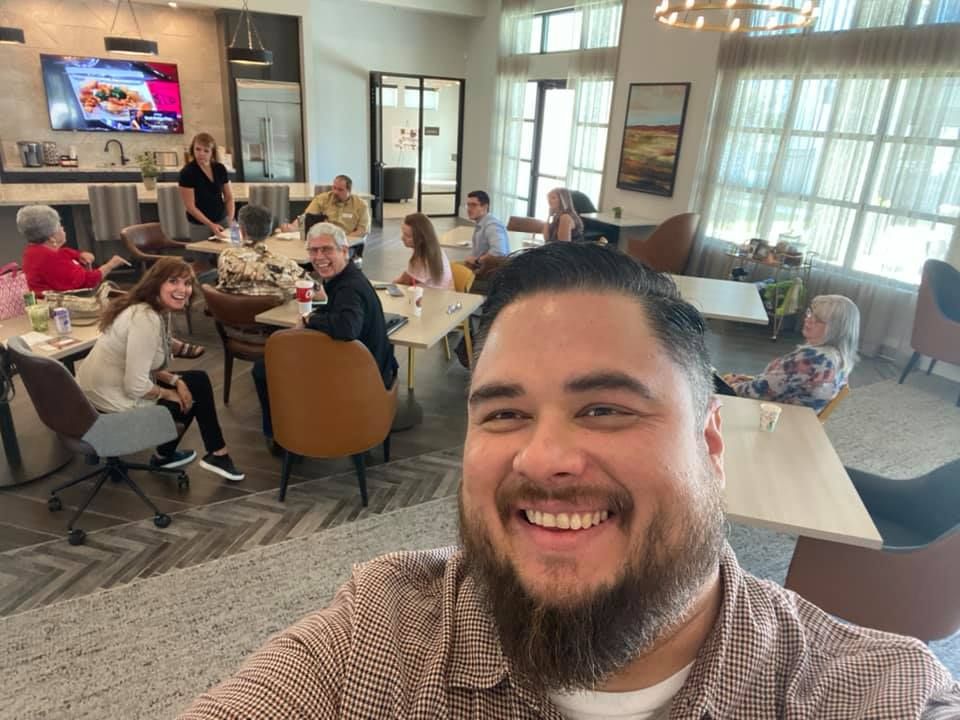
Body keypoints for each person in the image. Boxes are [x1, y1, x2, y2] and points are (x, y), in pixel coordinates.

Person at [179, 243, 957, 719]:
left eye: (607, 407)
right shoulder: (380, 634)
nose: (544, 458)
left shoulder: (863, 692)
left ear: (712, 445)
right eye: (505, 414)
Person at [77, 257, 245, 482]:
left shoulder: (144, 308)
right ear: (156, 284)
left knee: (194, 381)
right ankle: (211, 454)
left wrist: (176, 381)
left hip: (91, 401)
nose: (182, 289)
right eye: (173, 281)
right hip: (109, 411)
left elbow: (139, 364)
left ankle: (189, 455)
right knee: (194, 391)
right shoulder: (145, 319)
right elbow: (135, 384)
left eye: (186, 283)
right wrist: (170, 393)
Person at [251, 222, 397, 452]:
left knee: (264, 369)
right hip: (368, 365)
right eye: (313, 250)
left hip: (365, 377)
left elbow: (347, 328)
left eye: (326, 249)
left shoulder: (349, 288)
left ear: (344, 250)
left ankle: (281, 436)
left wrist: (310, 320)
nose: (319, 257)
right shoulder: (348, 278)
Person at [721, 294, 860, 413]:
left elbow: (762, 390)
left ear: (834, 329)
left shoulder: (813, 359)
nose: (808, 319)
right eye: (810, 313)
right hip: (799, 417)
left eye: (818, 320)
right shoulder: (839, 358)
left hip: (775, 415)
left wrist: (728, 387)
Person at [17, 204, 127, 298]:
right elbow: (87, 282)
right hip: (59, 307)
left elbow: (64, 252)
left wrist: (80, 254)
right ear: (52, 238)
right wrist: (110, 265)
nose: (63, 228)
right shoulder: (51, 259)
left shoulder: (32, 250)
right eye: (59, 226)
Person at [216, 204, 307, 298]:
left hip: (230, 311)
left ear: (242, 230)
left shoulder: (226, 256)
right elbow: (319, 295)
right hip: (274, 312)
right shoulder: (285, 264)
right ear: (269, 231)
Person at [178, 132, 234, 242]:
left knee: (226, 254)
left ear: (212, 153)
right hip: (200, 224)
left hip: (221, 219)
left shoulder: (219, 168)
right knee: (202, 257)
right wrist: (210, 224)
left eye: (206, 150)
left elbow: (229, 197)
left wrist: (230, 219)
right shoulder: (187, 172)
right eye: (198, 149)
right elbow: (190, 206)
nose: (201, 153)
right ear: (192, 150)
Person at [280, 175, 369, 239]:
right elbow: (306, 217)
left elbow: (362, 231)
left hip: (346, 241)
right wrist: (292, 227)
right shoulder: (323, 199)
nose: (335, 192)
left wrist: (342, 240)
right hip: (322, 239)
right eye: (334, 188)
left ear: (349, 190)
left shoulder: (360, 205)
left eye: (340, 190)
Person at [392, 212, 453, 290]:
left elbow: (404, 281)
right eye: (403, 234)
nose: (402, 238)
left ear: (420, 238)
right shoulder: (434, 250)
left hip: (431, 297)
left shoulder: (423, 258)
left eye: (407, 236)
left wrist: (392, 284)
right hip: (438, 294)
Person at [463, 189, 509, 273]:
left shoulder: (492, 226)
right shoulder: (482, 223)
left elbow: (499, 251)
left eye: (473, 205)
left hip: (487, 275)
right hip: (480, 269)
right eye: (468, 205)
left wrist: (477, 261)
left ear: (485, 207)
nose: (469, 209)